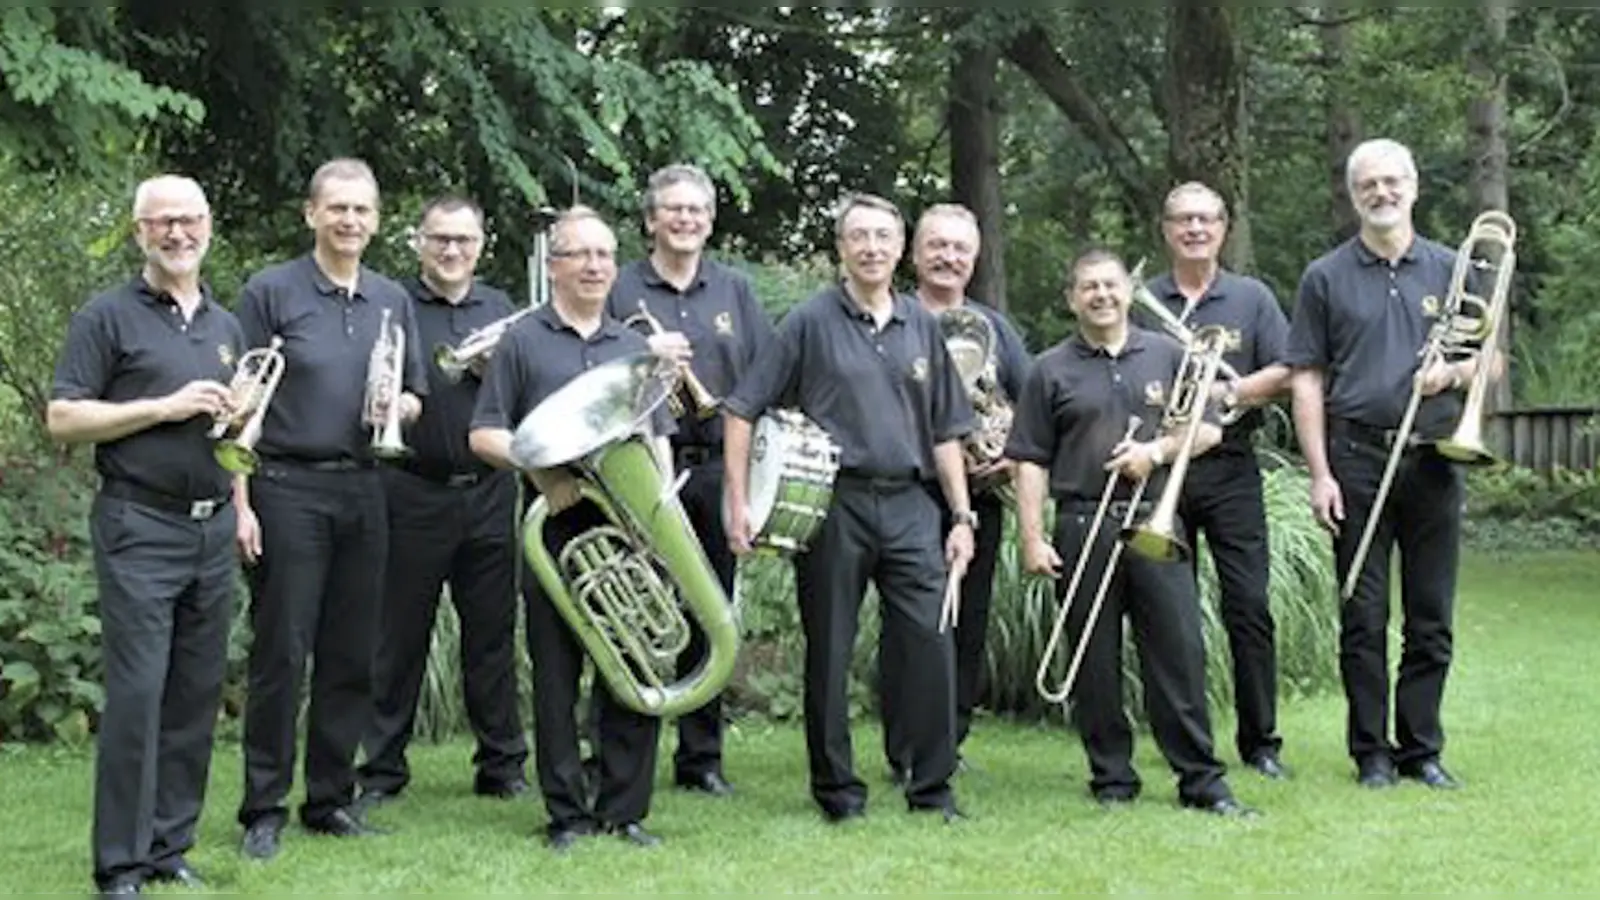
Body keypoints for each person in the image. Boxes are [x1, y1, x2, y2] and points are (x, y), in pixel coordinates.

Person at [722, 193, 977, 824]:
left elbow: (946, 429)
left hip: (914, 506)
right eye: (858, 237)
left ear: (900, 248)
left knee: (931, 645)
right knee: (830, 651)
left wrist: (962, 516)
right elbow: (741, 408)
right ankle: (837, 793)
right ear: (841, 248)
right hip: (835, 507)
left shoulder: (922, 324)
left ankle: (933, 789)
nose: (871, 248)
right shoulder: (809, 321)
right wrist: (739, 501)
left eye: (883, 237)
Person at [1007, 248, 1252, 816]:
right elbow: (1029, 459)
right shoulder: (1050, 368)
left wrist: (1156, 450)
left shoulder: (1169, 353)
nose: (1101, 295)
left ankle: (1201, 780)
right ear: (1072, 298)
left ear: (1127, 291)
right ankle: (1111, 777)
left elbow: (1209, 431)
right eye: (1088, 286)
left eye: (1111, 284)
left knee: (1179, 652)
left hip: (1153, 520)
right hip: (1081, 521)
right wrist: (1031, 536)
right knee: (1092, 658)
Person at [49, 175, 242, 895]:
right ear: (139, 233)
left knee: (195, 694)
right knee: (137, 694)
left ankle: (168, 849)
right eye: (162, 222)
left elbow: (234, 437)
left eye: (190, 220)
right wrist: (161, 408)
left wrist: (242, 497)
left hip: (212, 523)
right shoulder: (107, 317)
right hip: (139, 523)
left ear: (208, 227)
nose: (178, 234)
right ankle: (121, 866)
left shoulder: (225, 326)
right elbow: (63, 418)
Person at [232, 157, 428, 860]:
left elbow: (416, 392)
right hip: (286, 487)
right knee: (282, 652)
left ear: (377, 221)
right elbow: (241, 406)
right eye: (337, 208)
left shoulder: (390, 298)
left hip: (366, 486)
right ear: (311, 214)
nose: (350, 221)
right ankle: (262, 807)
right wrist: (241, 503)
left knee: (352, 654)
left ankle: (328, 799)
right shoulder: (270, 291)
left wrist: (396, 405)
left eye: (363, 210)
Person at [469, 205, 678, 850]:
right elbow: (484, 433)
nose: (593, 266)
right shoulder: (523, 341)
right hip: (559, 524)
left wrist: (660, 512)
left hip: (631, 526)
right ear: (553, 266)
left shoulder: (633, 346)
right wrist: (544, 475)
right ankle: (566, 813)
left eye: (604, 256)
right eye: (579, 255)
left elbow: (658, 436)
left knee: (637, 665)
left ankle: (626, 808)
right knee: (557, 676)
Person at [1286, 138, 1491, 790]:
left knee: (1430, 615)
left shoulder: (1453, 268)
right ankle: (1371, 752)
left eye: (1392, 181)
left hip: (1434, 459)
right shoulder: (1324, 276)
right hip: (1356, 459)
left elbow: (1492, 362)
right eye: (1369, 184)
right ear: (1354, 195)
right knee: (1363, 616)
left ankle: (1421, 750)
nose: (1382, 192)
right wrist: (1319, 473)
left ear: (1414, 186)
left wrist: (1450, 372)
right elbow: (1307, 381)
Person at [604, 163, 774, 797]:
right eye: (672, 209)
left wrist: (746, 489)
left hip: (712, 466)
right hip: (641, 467)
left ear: (709, 220)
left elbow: (758, 381)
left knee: (709, 609)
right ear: (651, 220)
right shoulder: (620, 289)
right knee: (637, 612)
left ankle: (701, 757)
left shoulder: (734, 291)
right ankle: (626, 745)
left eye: (695, 210)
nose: (684, 219)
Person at [356, 196, 529, 809]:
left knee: (492, 637)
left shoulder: (503, 309)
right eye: (439, 240)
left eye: (464, 240)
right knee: (398, 637)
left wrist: (495, 371)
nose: (452, 251)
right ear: (419, 242)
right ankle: (380, 770)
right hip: (412, 490)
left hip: (488, 491)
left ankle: (503, 766)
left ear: (481, 243)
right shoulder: (393, 304)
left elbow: (526, 397)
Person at [1137, 182, 1293, 778]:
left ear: (1224, 228)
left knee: (1249, 607)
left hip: (1229, 470)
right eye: (1183, 220)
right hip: (1161, 473)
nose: (1195, 229)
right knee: (1168, 617)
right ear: (1166, 229)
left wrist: (1225, 390)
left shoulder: (1251, 299)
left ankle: (1261, 742)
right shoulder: (1142, 299)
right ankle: (1185, 738)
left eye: (1206, 219)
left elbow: (1284, 369)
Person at [881, 203, 1031, 781]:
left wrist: (1010, 448)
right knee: (911, 626)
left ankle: (951, 740)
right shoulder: (892, 319)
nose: (948, 257)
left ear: (975, 258)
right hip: (909, 493)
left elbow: (1032, 402)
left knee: (967, 622)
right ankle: (905, 749)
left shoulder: (995, 329)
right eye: (937, 246)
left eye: (960, 249)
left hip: (980, 495)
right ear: (915, 254)